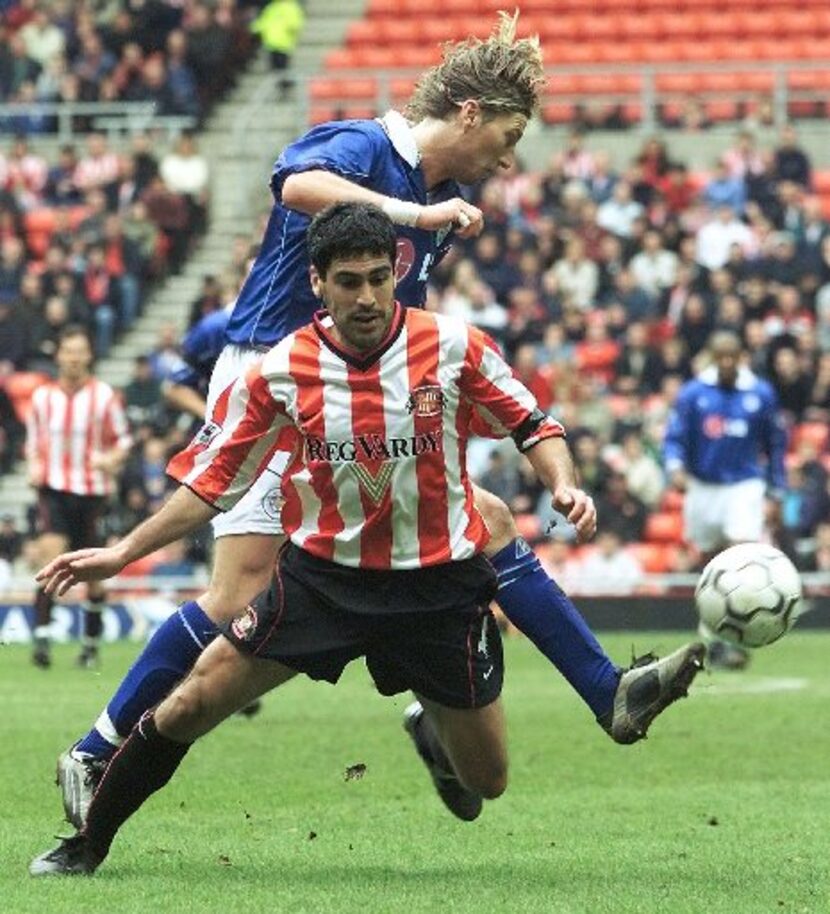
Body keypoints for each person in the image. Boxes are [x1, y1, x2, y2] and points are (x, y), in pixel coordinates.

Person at [58, 14, 691, 829]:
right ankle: (97, 747)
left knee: (480, 520)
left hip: (351, 392)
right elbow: (296, 188)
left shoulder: (438, 198)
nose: (507, 158)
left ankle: (601, 691)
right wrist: (412, 216)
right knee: (235, 594)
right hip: (272, 380)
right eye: (506, 135)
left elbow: (394, 318)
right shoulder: (367, 149)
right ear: (469, 112)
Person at [30, 204, 704, 876]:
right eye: (349, 281)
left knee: (487, 781)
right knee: (193, 699)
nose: (368, 297)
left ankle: (436, 736)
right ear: (317, 281)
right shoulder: (279, 370)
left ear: (396, 274)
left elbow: (535, 425)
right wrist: (122, 554)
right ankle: (87, 845)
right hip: (324, 583)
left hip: (438, 589)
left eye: (380, 278)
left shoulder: (453, 345)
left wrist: (564, 485)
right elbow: (212, 484)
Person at [663, 330, 788, 668]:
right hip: (703, 487)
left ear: (742, 357)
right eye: (722, 358)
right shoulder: (693, 394)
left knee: (739, 555)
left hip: (744, 485)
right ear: (712, 358)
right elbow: (674, 437)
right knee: (708, 561)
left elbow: (776, 444)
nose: (728, 364)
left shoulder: (760, 393)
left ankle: (739, 638)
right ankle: (714, 639)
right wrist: (674, 467)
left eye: (734, 357)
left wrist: (776, 490)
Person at [25, 325, 131, 669]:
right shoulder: (43, 398)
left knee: (92, 570)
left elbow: (123, 441)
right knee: (51, 557)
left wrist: (110, 459)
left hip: (92, 492)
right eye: (68, 351)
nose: (73, 358)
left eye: (79, 351)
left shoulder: (104, 397)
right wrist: (34, 465)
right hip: (54, 488)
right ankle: (41, 640)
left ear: (88, 355)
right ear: (59, 355)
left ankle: (89, 645)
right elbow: (33, 441)